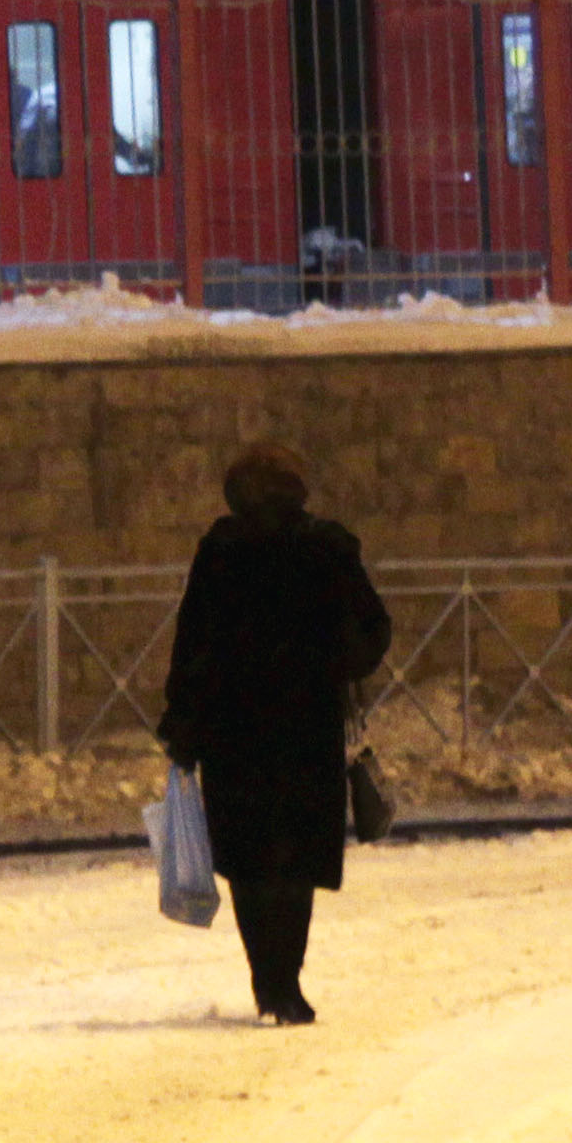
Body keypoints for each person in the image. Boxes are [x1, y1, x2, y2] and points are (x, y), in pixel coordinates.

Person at [157, 440, 394, 1027]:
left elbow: (193, 642)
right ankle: (288, 983)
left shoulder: (221, 551)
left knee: (249, 859)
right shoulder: (327, 547)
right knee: (297, 859)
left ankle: (268, 982)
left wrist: (183, 718)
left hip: (232, 726)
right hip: (305, 722)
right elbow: (372, 630)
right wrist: (330, 664)